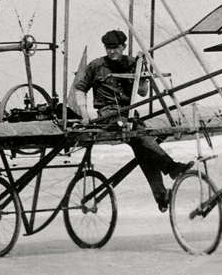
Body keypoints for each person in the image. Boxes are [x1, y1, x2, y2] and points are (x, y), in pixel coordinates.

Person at [71, 29, 192, 213]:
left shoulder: (132, 63)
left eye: (116, 48)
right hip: (108, 114)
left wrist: (142, 72)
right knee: (139, 135)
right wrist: (84, 111)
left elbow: (142, 92)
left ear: (123, 47)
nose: (112, 52)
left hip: (129, 114)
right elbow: (80, 89)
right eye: (108, 48)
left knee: (142, 145)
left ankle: (160, 195)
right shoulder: (96, 65)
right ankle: (171, 167)